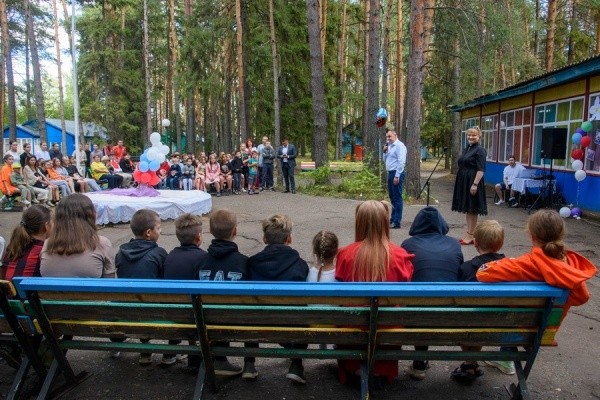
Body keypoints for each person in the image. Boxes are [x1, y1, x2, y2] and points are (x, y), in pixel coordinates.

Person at [335, 200, 414, 384]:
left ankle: (354, 367)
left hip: (354, 328)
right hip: (388, 329)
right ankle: (381, 370)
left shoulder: (345, 254)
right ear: (385, 222)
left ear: (359, 223)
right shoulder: (400, 255)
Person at [477, 210, 597, 315]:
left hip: (520, 327)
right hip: (548, 330)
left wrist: (508, 261)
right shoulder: (571, 265)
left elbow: (483, 273)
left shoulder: (525, 264)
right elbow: (582, 297)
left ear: (532, 236)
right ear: (561, 235)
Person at [401, 206, 463, 380]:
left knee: (419, 303)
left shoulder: (408, 244)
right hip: (452, 315)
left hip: (416, 317)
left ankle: (419, 362)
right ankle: (471, 362)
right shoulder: (454, 244)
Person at [248, 214, 309, 383]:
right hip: (291, 323)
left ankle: (249, 363)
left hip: (257, 323)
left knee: (249, 311)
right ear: (289, 238)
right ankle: (296, 364)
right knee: (304, 315)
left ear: (264, 239)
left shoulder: (251, 263)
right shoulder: (300, 265)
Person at [454, 220, 511, 378]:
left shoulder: (466, 268)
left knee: (469, 317)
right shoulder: (511, 267)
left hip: (466, 322)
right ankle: (471, 362)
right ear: (501, 244)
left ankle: (469, 362)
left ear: (475, 243)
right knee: (483, 318)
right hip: (500, 324)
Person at [196, 209, 248, 377]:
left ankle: (218, 359)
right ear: (235, 231)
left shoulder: (201, 261)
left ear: (210, 230)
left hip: (205, 319)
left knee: (213, 308)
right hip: (238, 321)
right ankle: (249, 364)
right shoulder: (243, 262)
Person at [114, 209, 167, 366]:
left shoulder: (121, 253)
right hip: (153, 311)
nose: (161, 231)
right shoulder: (159, 253)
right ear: (149, 233)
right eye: (159, 228)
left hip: (125, 311)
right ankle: (169, 353)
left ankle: (143, 348)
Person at [40, 193, 116, 278]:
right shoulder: (101, 243)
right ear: (91, 215)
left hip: (49, 287)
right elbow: (110, 279)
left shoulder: (48, 244)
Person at [451, 126, 487, 245]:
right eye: (469, 135)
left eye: (473, 135)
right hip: (465, 182)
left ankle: (471, 235)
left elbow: (481, 169)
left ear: (479, 136)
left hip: (472, 181)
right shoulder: (467, 148)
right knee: (468, 209)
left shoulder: (480, 150)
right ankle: (469, 234)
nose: (471, 137)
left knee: (472, 209)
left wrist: (475, 184)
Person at [1, 205, 51, 281]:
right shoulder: (44, 249)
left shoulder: (14, 246)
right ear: (46, 226)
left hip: (9, 288)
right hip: (28, 288)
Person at [383, 130, 407, 229]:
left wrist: (397, 176)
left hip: (397, 173)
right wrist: (384, 151)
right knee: (392, 197)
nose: (388, 138)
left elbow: (401, 161)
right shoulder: (389, 146)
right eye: (387, 137)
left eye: (390, 136)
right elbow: (385, 160)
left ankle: (397, 221)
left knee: (397, 197)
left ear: (395, 135)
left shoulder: (399, 146)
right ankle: (393, 219)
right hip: (390, 172)